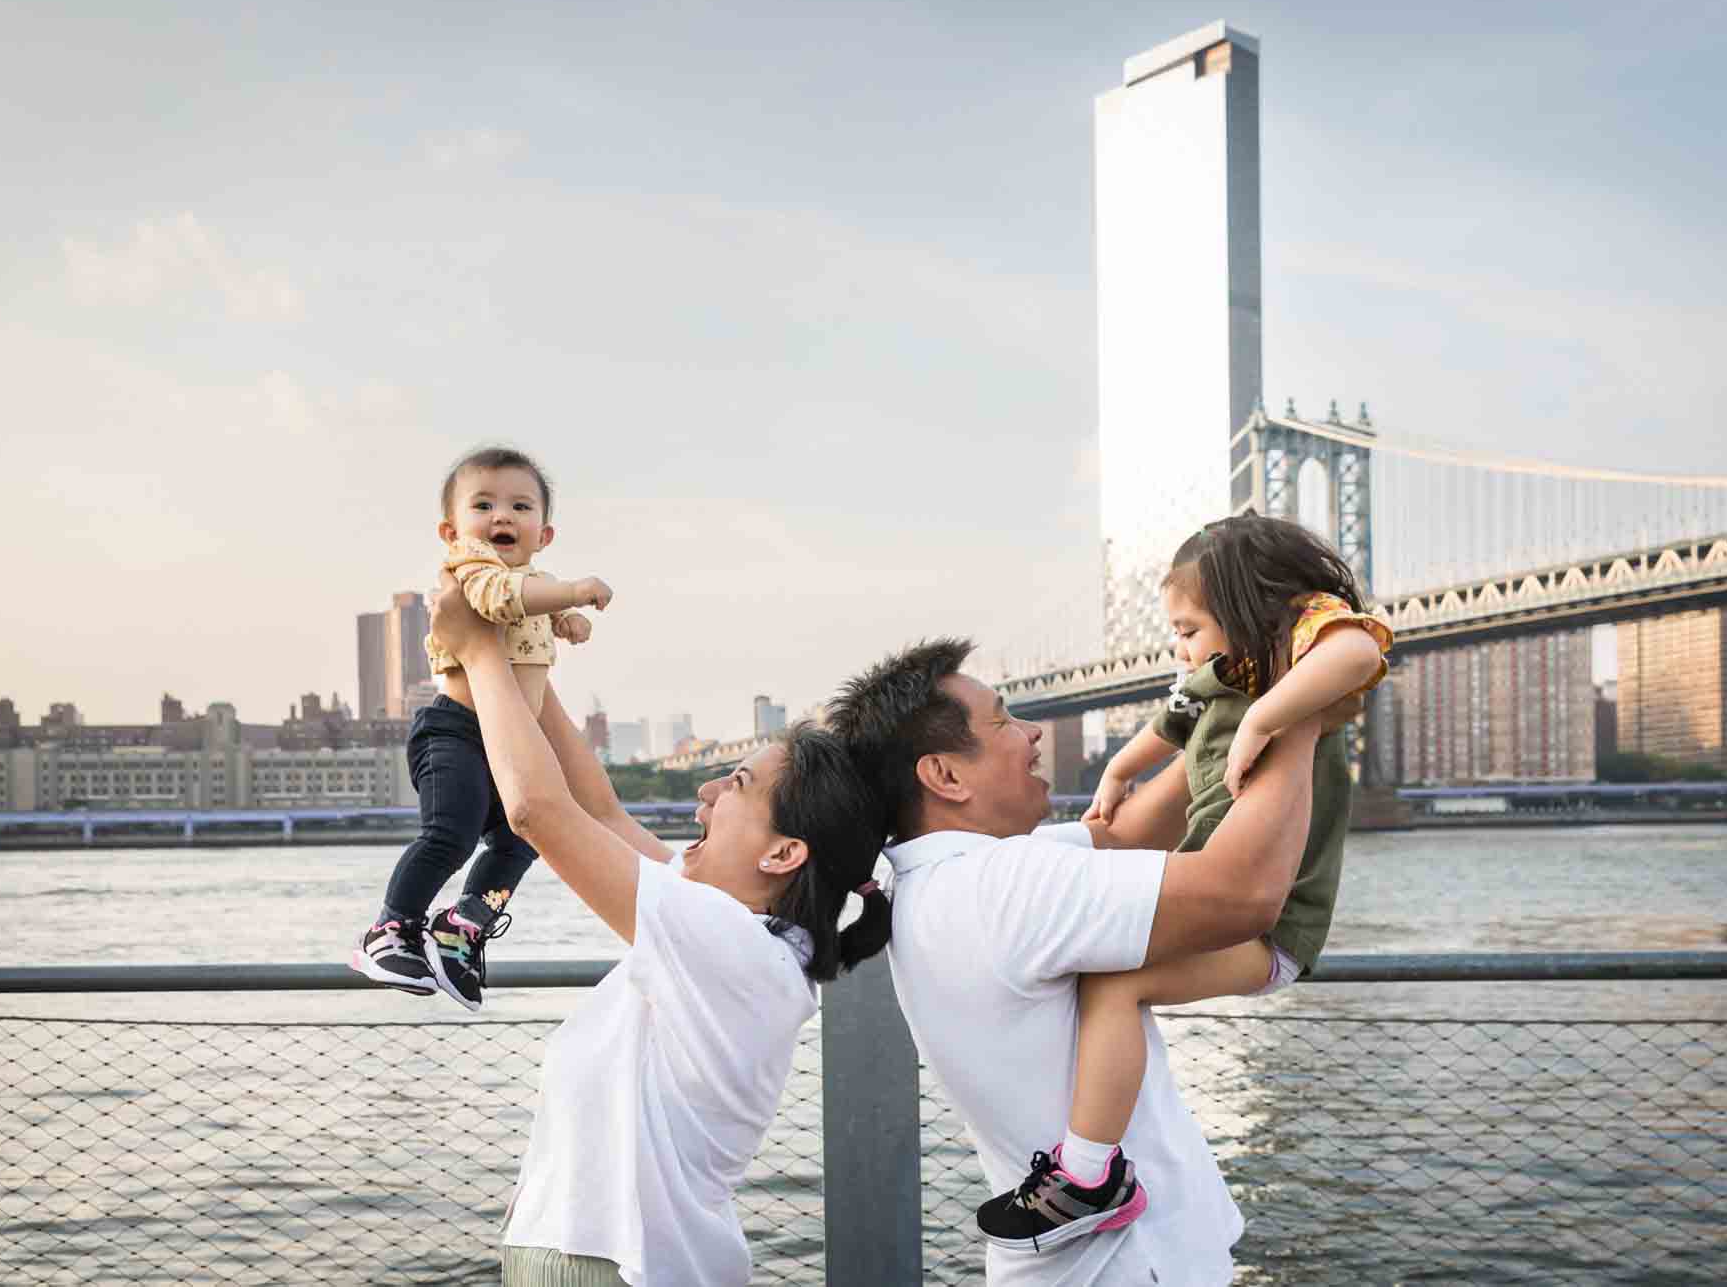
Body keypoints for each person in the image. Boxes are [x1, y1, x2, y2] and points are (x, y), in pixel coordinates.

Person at [427, 574, 892, 1287]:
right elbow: (600, 811)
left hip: (620, 1270)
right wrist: (529, 656)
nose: (705, 792)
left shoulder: (731, 947)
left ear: (782, 854)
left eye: (735, 783)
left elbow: (538, 814)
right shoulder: (729, 931)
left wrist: (480, 650)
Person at [829, 637, 1324, 1285]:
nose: (1033, 732)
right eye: (1004, 719)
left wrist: (1232, 710)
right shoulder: (1004, 886)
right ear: (944, 775)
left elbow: (1126, 832)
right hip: (1128, 1268)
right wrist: (1302, 708)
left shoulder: (944, 876)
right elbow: (1245, 894)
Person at [977, 512, 1393, 1248]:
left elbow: (1359, 651)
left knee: (1113, 981)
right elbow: (1169, 724)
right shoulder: (1216, 673)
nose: (1179, 646)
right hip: (1205, 890)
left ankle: (1089, 1174)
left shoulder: (1299, 661)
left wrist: (1270, 715)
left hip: (1273, 927)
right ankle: (1092, 1154)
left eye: (1190, 627)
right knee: (1092, 967)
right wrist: (1117, 768)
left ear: (1249, 610)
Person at [350, 445, 614, 1009]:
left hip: (511, 741)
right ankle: (391, 928)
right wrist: (572, 593)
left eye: (521, 506)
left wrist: (564, 620)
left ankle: (465, 924)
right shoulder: (469, 570)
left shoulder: (532, 582)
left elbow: (528, 604)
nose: (502, 516)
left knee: (523, 838)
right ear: (452, 531)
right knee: (453, 833)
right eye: (484, 504)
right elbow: (502, 600)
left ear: (543, 534)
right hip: (458, 733)